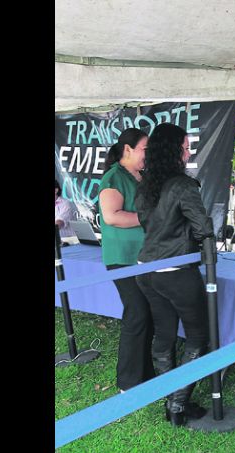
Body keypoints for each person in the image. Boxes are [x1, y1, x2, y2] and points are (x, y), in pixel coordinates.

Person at [134, 123, 214, 426]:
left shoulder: (146, 185)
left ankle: (172, 401)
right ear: (174, 150)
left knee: (164, 336)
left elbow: (148, 226)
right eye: (185, 146)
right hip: (176, 271)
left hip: (147, 269)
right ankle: (178, 404)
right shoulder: (182, 186)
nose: (188, 151)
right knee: (198, 337)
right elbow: (203, 228)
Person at [98, 128, 155, 392]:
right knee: (137, 313)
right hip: (122, 258)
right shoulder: (114, 177)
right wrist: (150, 219)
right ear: (128, 149)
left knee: (147, 313)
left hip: (144, 256)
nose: (148, 154)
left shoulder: (141, 175)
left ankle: (145, 374)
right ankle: (128, 382)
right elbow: (112, 216)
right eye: (144, 149)